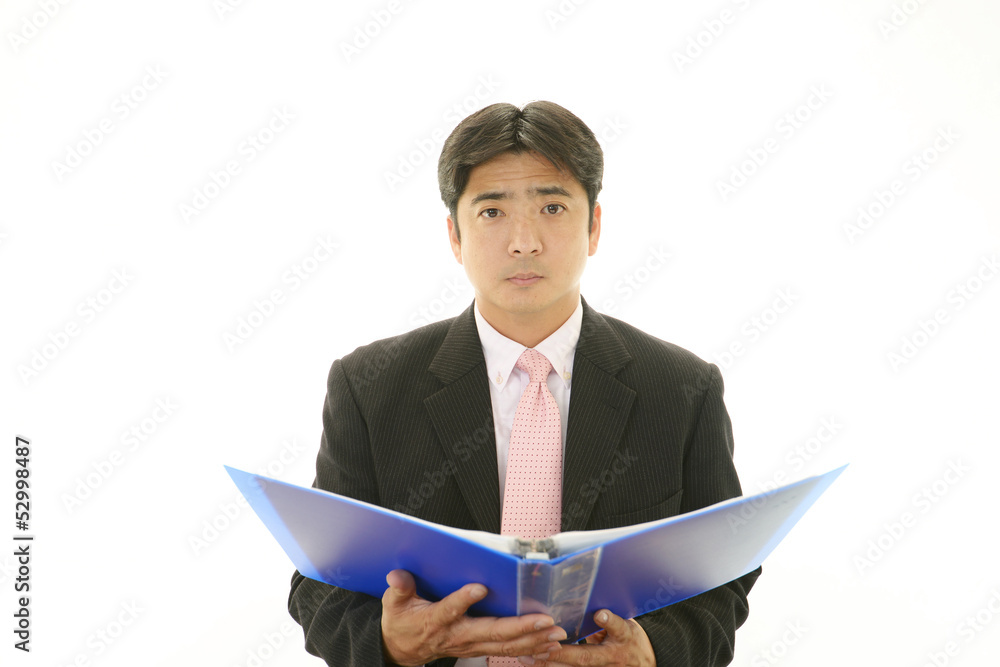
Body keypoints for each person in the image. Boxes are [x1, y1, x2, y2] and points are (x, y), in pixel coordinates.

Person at [288, 100, 760, 666]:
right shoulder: (370, 387)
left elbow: (724, 578)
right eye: (492, 211)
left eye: (552, 207)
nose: (524, 242)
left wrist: (654, 653)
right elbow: (319, 587)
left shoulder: (682, 389)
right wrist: (390, 643)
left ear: (594, 226)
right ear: (454, 235)